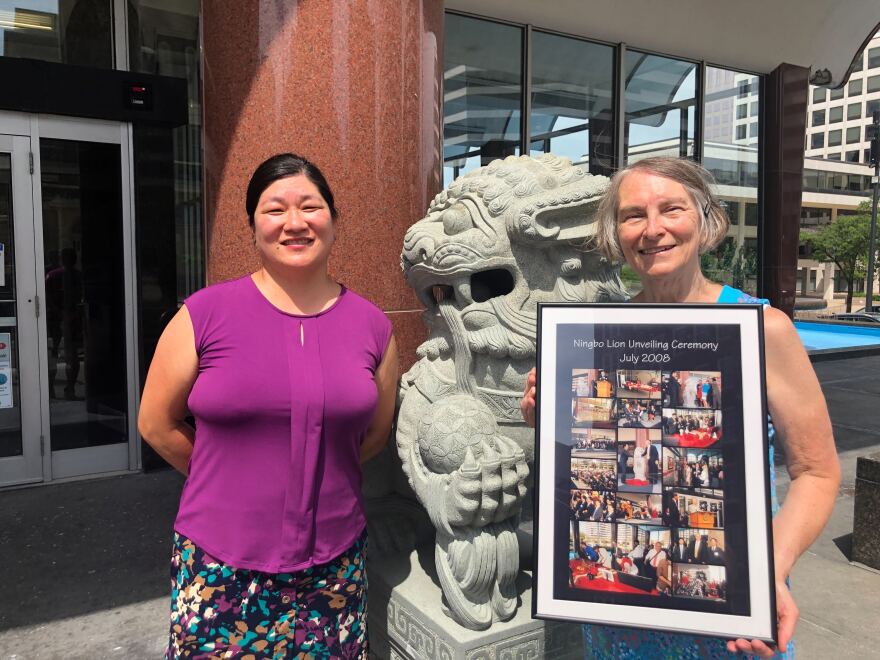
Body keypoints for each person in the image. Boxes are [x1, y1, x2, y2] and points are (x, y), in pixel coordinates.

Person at [520, 156, 840, 658]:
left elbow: (817, 474)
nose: (652, 230)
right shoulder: (595, 335)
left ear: (706, 218)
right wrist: (554, 422)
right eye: (632, 215)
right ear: (614, 232)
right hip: (618, 625)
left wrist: (765, 571)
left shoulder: (762, 328)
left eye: (672, 209)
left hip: (731, 618)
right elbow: (592, 461)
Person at [138, 153, 399, 658]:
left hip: (334, 566)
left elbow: (373, 436)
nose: (295, 223)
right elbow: (156, 423)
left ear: (334, 219)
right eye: (275, 209)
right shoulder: (204, 314)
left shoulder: (373, 327)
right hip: (220, 563)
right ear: (252, 224)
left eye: (311, 206)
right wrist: (222, 474)